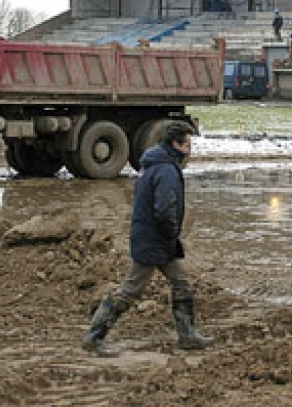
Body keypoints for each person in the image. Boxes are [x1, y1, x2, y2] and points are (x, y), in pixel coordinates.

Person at [82, 120, 214, 356]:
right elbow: (164, 209)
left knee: (182, 282)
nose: (190, 151)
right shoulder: (166, 170)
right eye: (188, 145)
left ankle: (187, 336)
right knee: (131, 290)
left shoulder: (153, 165)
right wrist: (172, 233)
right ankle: (94, 337)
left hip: (154, 238)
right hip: (155, 240)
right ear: (176, 144)